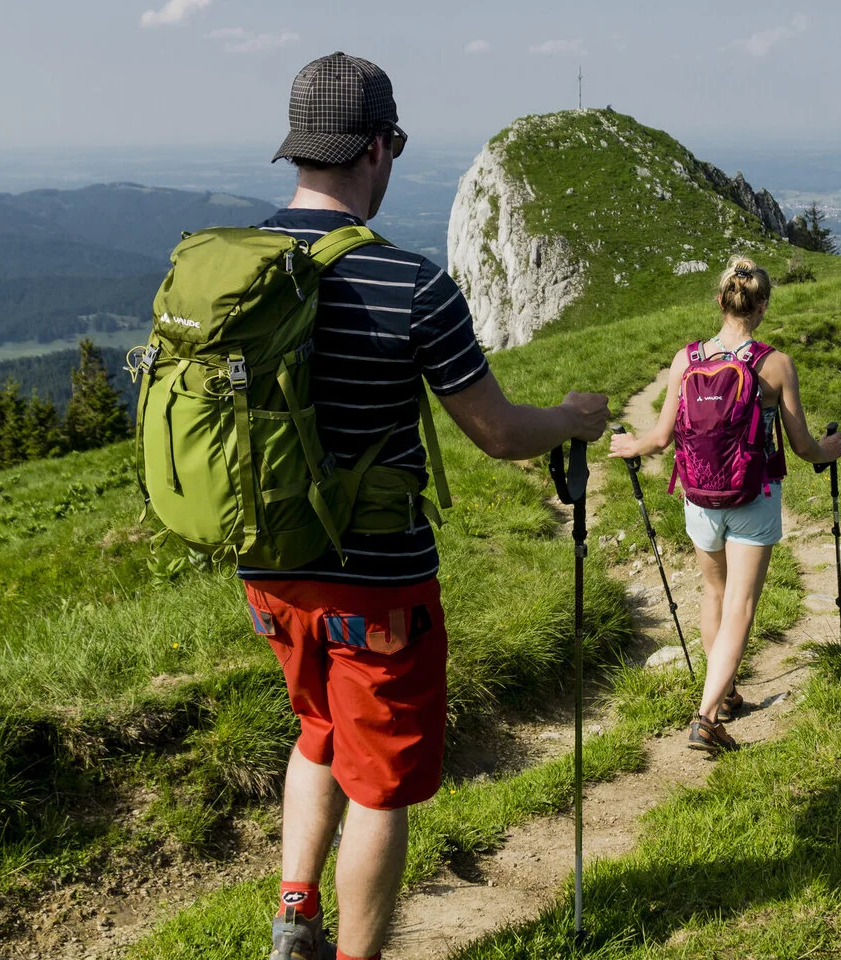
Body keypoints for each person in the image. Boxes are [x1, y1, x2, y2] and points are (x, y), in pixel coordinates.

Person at [247, 53, 609, 960]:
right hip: (378, 591)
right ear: (376, 148)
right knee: (379, 789)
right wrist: (567, 418)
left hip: (269, 569)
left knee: (315, 731)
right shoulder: (410, 285)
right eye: (395, 147)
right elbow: (494, 431)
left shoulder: (236, 272)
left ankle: (296, 911)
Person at [607, 257, 841, 754]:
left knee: (714, 596)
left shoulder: (686, 359)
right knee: (741, 602)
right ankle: (707, 716)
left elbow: (660, 437)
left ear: (720, 302)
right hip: (753, 496)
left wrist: (631, 446)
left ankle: (725, 693)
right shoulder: (773, 364)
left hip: (698, 496)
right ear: (761, 307)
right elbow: (802, 446)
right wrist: (831, 451)